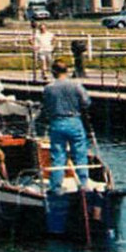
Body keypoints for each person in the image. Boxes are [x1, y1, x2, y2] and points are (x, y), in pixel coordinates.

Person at [42, 61, 94, 194]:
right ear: (67, 70)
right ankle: (83, 184)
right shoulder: (76, 85)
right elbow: (86, 102)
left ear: (54, 72)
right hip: (74, 121)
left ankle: (56, 186)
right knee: (80, 153)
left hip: (57, 122)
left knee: (58, 155)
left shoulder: (49, 88)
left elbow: (46, 107)